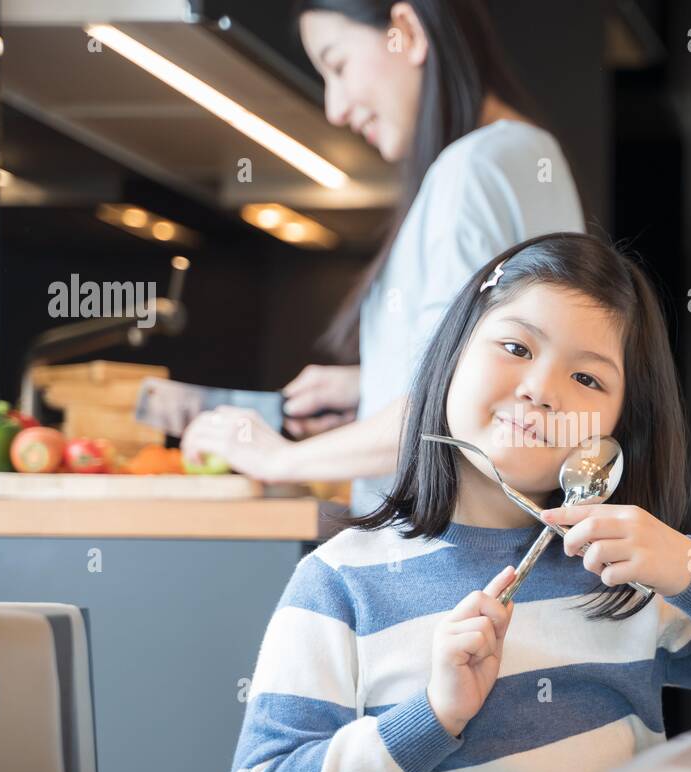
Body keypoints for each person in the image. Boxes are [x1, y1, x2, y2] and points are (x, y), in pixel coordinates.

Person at [224, 233, 691, 772]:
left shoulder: (625, 574)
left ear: (616, 428)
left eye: (586, 377)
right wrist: (431, 717)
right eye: (516, 346)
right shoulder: (340, 580)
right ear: (455, 351)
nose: (541, 389)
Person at [183, 0, 585, 515]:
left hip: (438, 557)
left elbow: (444, 410)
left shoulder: (468, 171)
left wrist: (279, 459)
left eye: (338, 65)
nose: (335, 107)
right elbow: (505, 374)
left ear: (407, 32)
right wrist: (372, 385)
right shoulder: (532, 152)